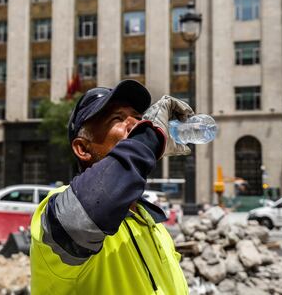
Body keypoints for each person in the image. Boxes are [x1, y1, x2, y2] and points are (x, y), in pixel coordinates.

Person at [30, 79, 193, 295]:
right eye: (117, 118)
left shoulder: (150, 222)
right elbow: (81, 218)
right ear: (82, 149)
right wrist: (148, 137)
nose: (135, 124)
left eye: (137, 117)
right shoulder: (59, 211)